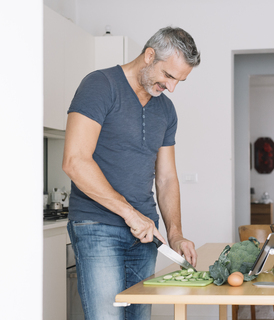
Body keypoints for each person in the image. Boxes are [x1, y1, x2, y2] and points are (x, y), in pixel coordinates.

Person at [62, 26, 201, 320]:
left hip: (145, 235)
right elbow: (75, 161)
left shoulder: (166, 111)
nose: (172, 87)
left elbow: (166, 178)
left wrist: (175, 234)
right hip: (96, 226)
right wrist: (129, 213)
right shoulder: (100, 85)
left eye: (180, 81)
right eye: (169, 76)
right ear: (149, 56)